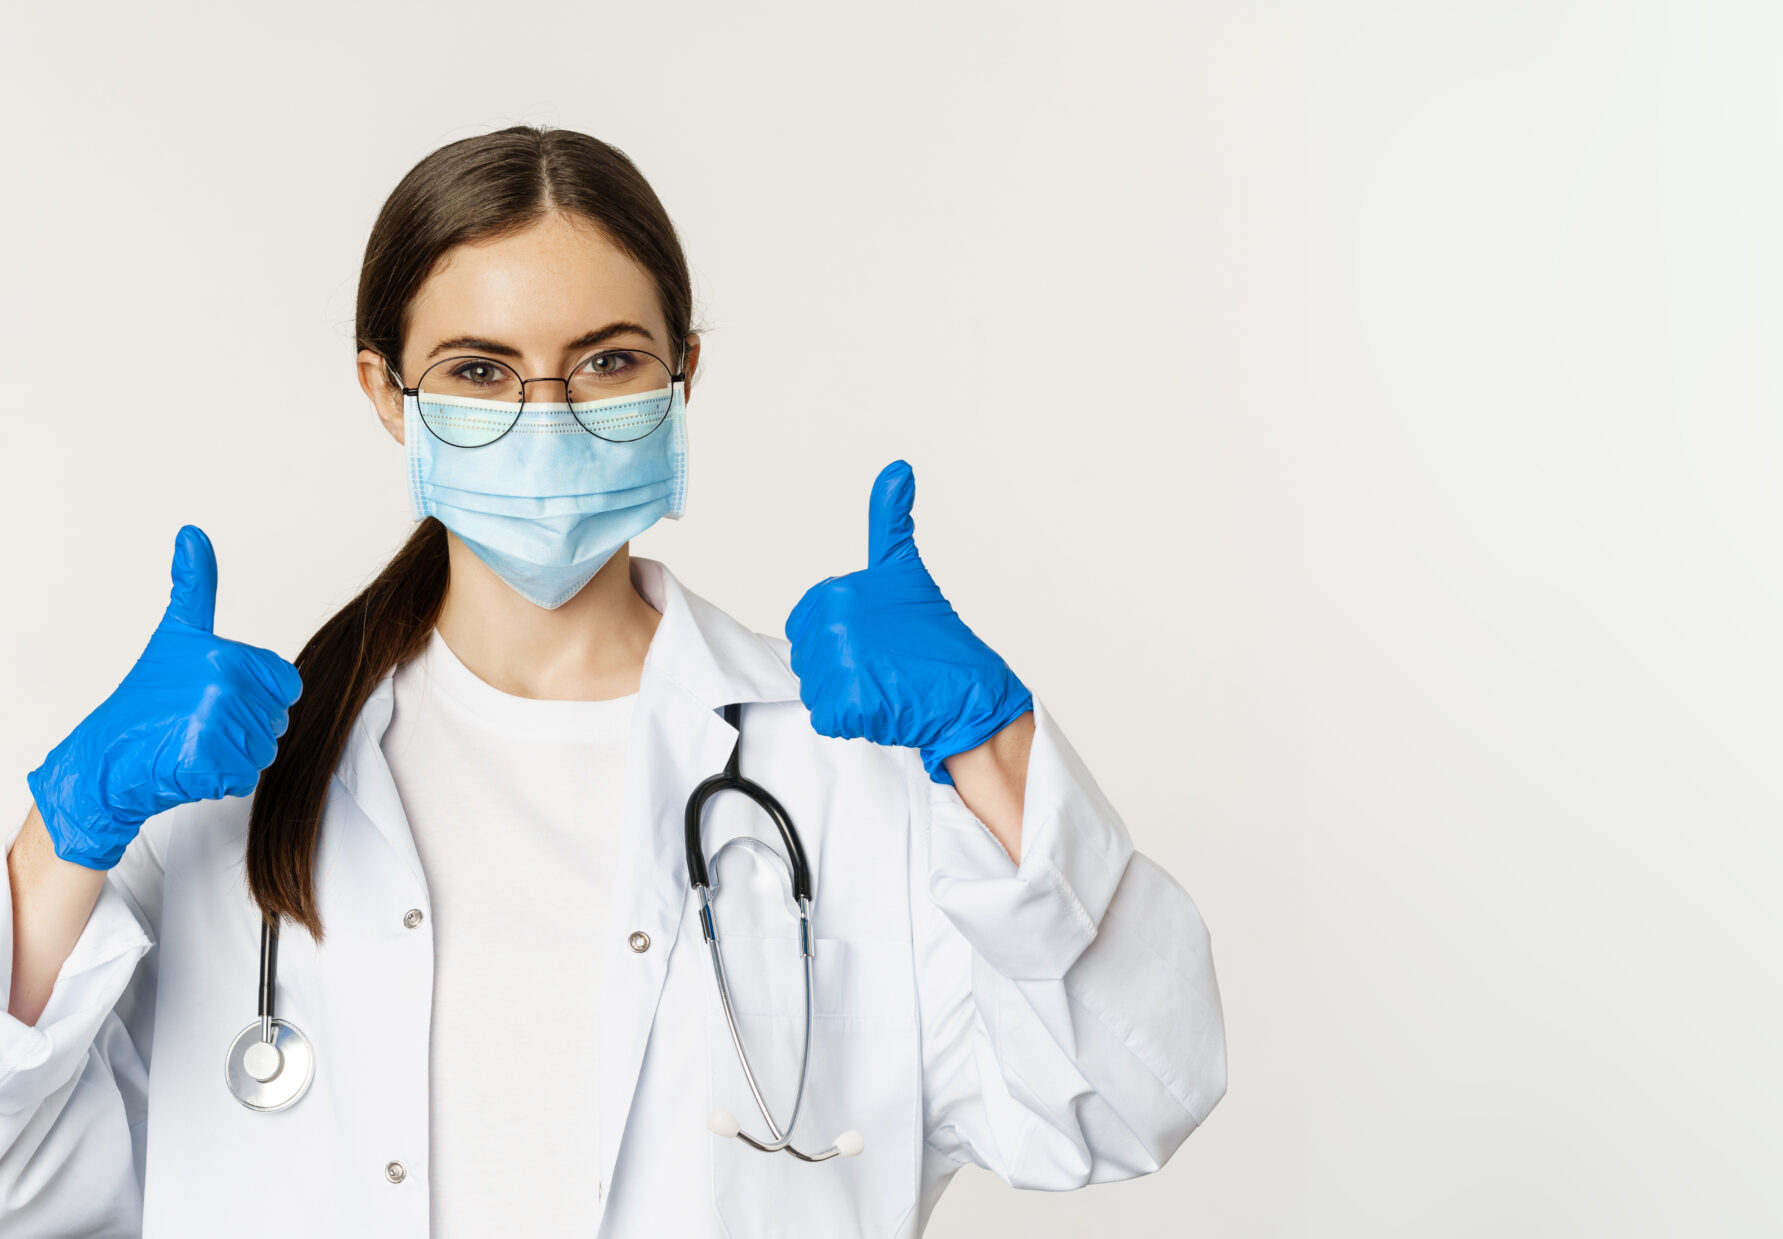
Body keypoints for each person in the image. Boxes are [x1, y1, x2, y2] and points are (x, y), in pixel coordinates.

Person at [0, 126, 1224, 1237]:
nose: (549, 417)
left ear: (681, 374)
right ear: (388, 394)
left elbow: (1129, 1098)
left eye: (606, 361)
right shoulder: (234, 790)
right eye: (479, 371)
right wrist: (64, 837)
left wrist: (990, 746)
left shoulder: (844, 775)